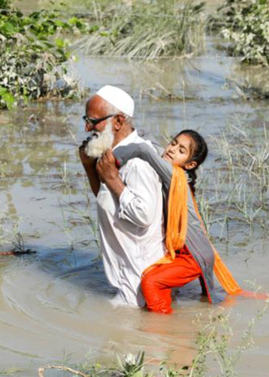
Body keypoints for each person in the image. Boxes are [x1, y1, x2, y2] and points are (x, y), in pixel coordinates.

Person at [110, 130, 243, 314]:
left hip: (193, 255)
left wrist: (111, 160)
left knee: (151, 281)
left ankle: (162, 328)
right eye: (173, 143)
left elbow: (144, 150)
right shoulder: (177, 175)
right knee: (210, 303)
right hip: (196, 251)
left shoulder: (173, 175)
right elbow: (152, 146)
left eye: (181, 150)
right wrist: (138, 133)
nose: (172, 150)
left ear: (190, 164)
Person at [78, 85, 166, 308]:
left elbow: (144, 214)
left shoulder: (137, 161)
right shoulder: (113, 155)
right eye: (86, 119)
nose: (87, 127)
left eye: (94, 121)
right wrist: (90, 167)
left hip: (138, 285)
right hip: (127, 280)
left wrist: (114, 180)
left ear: (118, 121)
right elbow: (108, 198)